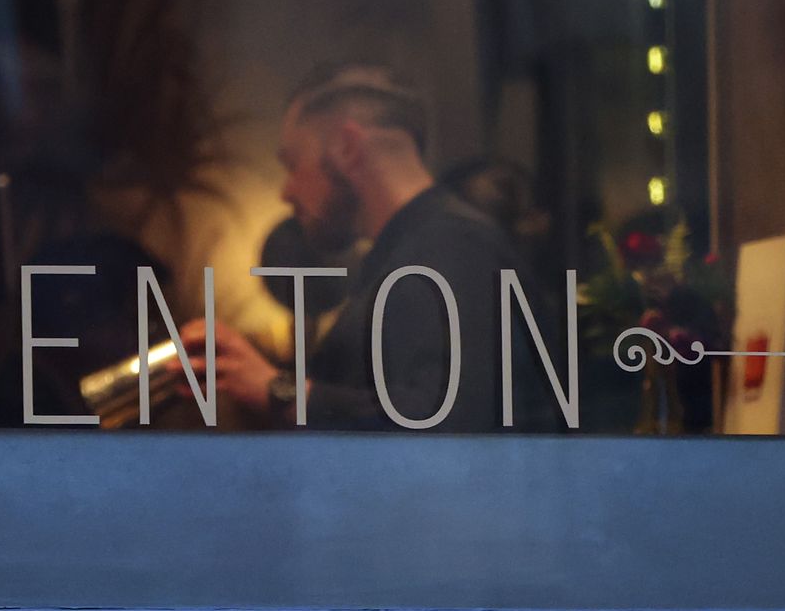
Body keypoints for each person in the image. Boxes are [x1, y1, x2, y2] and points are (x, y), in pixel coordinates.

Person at [183, 63, 547, 431]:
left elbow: (445, 426)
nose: (286, 191)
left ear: (348, 148)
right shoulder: (422, 247)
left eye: (292, 164)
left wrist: (277, 391)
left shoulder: (451, 245)